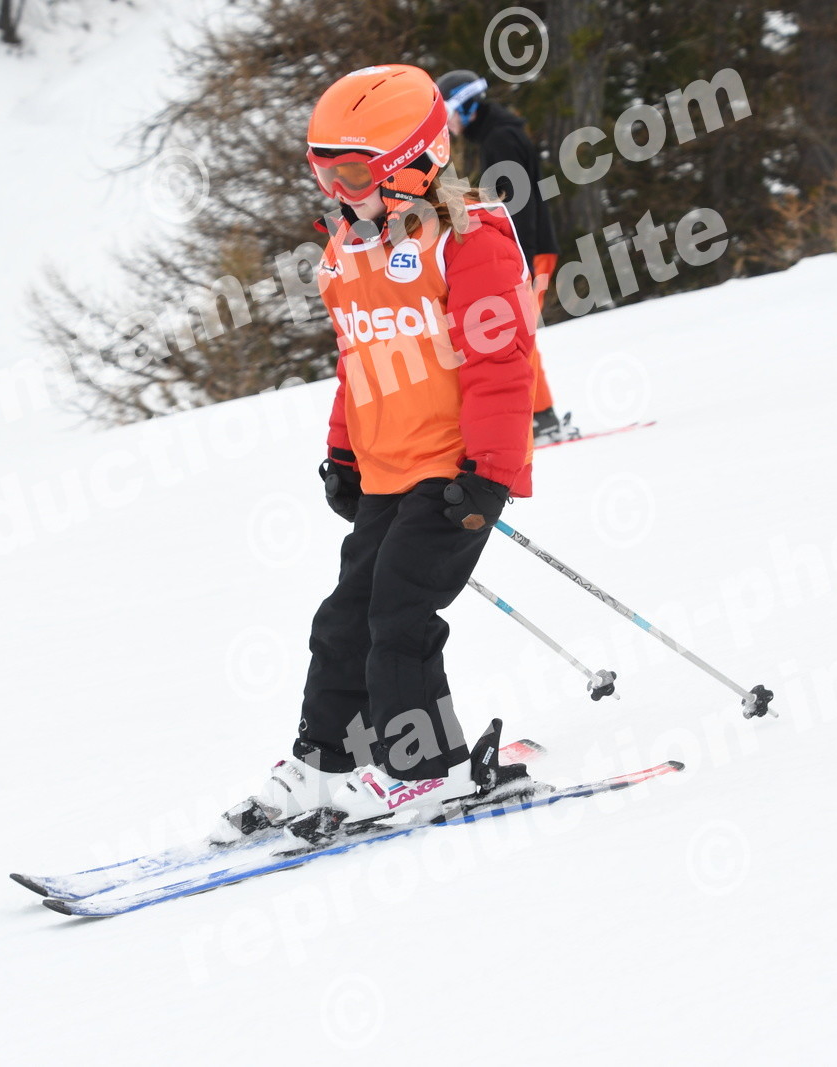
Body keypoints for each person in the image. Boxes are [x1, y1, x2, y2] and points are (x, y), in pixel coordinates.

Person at [212, 64, 537, 844]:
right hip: (389, 470)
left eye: (351, 175)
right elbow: (358, 360)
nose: (335, 192)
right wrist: (344, 452)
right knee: (344, 619)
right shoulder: (349, 248)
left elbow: (501, 365)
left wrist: (489, 475)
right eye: (322, 173)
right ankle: (327, 761)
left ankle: (427, 765)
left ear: (412, 164)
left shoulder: (469, 241)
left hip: (456, 472)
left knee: (399, 610)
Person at [436, 68, 576, 445]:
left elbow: (519, 207)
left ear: (466, 108)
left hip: (530, 251)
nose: (446, 124)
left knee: (516, 335)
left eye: (447, 113)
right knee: (516, 333)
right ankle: (539, 418)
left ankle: (542, 421)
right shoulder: (497, 134)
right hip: (530, 249)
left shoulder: (500, 139)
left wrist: (519, 263)